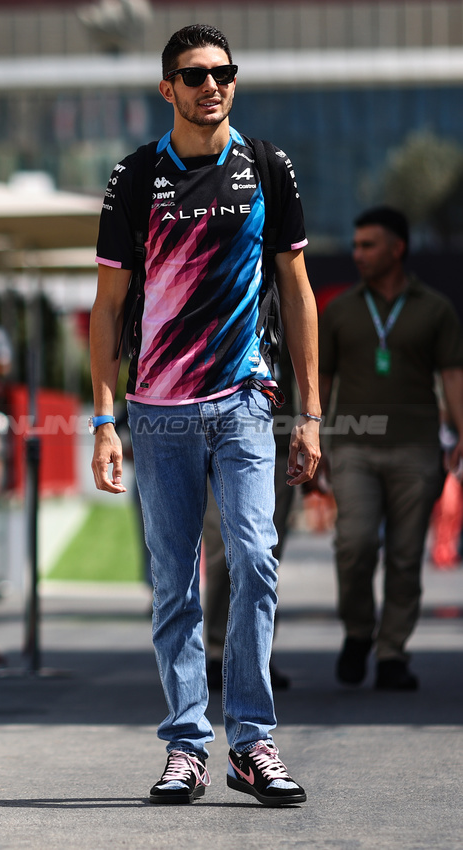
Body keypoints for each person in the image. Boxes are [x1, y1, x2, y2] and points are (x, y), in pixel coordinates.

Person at [88, 24, 321, 807]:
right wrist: (100, 420)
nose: (210, 85)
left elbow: (295, 290)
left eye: (222, 72)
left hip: (244, 403)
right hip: (155, 411)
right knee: (172, 583)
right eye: (193, 76)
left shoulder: (265, 167)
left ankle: (251, 743)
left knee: (254, 559)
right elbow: (108, 305)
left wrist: (312, 411)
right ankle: (186, 745)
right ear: (167, 90)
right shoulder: (133, 177)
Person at [317, 206, 463, 690]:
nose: (357, 254)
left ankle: (393, 652)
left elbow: (452, 375)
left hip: (417, 450)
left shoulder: (435, 308)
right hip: (353, 447)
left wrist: (461, 432)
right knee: (354, 543)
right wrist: (311, 431)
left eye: (368, 245)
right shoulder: (339, 309)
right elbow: (320, 376)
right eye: (355, 245)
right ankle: (359, 631)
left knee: (405, 555)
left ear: (397, 249)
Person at [203, 355, 296, 692]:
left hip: (278, 442)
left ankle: (257, 654)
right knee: (222, 550)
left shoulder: (287, 309)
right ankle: (216, 651)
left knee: (262, 555)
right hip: (218, 435)